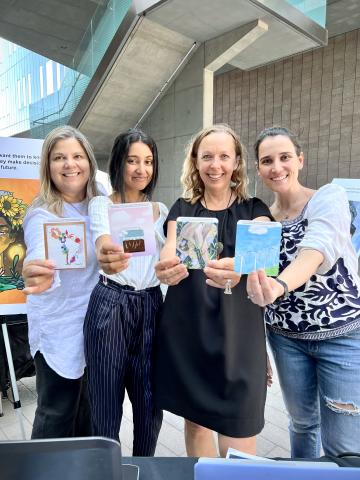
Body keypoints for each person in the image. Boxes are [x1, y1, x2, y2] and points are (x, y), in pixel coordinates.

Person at [154, 124, 272, 457]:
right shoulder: (182, 207)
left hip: (240, 338)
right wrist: (167, 268)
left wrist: (243, 267)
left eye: (224, 156)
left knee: (240, 431)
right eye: (207, 156)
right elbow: (170, 248)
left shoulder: (254, 210)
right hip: (190, 333)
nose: (215, 165)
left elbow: (263, 254)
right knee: (196, 424)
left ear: (236, 162)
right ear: (195, 161)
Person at [247, 126, 360, 457]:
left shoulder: (327, 198)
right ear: (258, 169)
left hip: (341, 335)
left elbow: (316, 250)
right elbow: (255, 284)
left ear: (300, 160)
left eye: (284, 157)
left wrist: (280, 285)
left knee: (344, 442)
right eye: (267, 160)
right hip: (285, 339)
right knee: (302, 424)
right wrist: (258, 344)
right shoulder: (262, 218)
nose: (277, 167)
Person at [83, 128, 167, 456]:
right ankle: (106, 471)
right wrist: (108, 256)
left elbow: (174, 255)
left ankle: (144, 469)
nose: (141, 169)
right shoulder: (101, 204)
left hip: (151, 306)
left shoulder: (161, 210)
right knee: (104, 404)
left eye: (148, 161)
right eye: (132, 160)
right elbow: (102, 241)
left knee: (150, 405)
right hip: (111, 305)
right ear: (119, 163)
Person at [22, 125, 101, 438]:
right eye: (59, 158)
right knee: (56, 413)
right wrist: (34, 269)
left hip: (97, 325)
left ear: (89, 162)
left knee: (91, 414)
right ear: (48, 166)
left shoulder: (102, 205)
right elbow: (37, 252)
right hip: (57, 326)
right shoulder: (41, 213)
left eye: (77, 156)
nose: (70, 164)